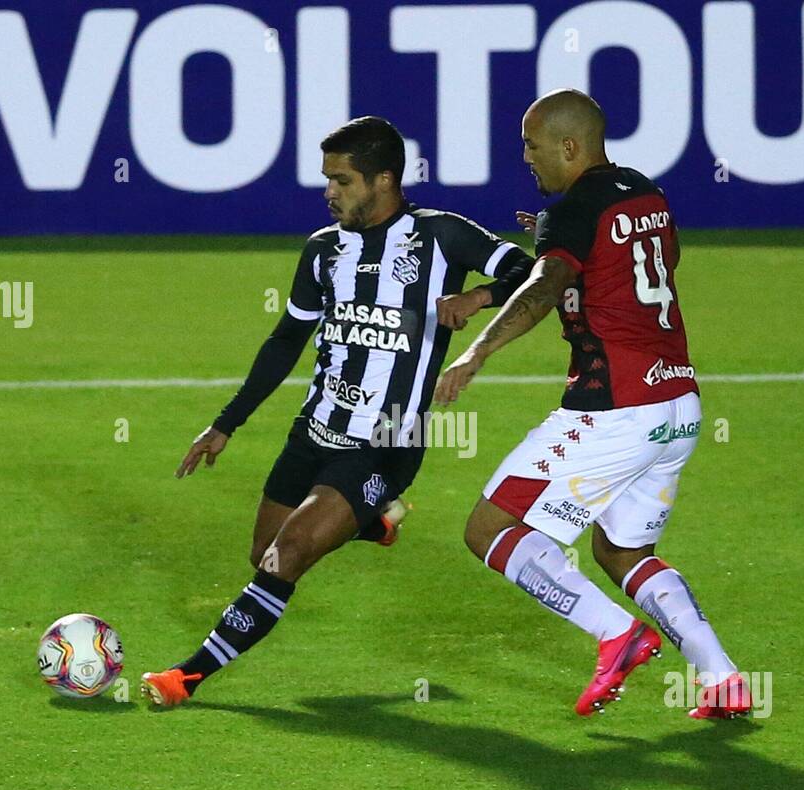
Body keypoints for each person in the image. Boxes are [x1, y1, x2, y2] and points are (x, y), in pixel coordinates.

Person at [141, 116, 533, 707]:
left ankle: (186, 677)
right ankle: (372, 521)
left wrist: (476, 297)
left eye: (342, 181)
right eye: (328, 180)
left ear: (385, 180)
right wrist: (226, 422)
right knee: (262, 557)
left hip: (386, 438)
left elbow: (529, 271)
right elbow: (284, 342)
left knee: (285, 558)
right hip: (315, 428)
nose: (330, 193)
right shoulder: (323, 251)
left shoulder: (442, 235)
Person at [434, 90, 751, 719]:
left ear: (569, 145)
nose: (525, 156)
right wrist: (540, 246)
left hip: (612, 410)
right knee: (620, 550)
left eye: (532, 144)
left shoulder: (574, 211)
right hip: (677, 405)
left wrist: (476, 355)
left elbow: (548, 287)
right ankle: (722, 678)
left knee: (489, 530)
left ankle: (616, 632)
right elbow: (633, 263)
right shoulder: (645, 193)